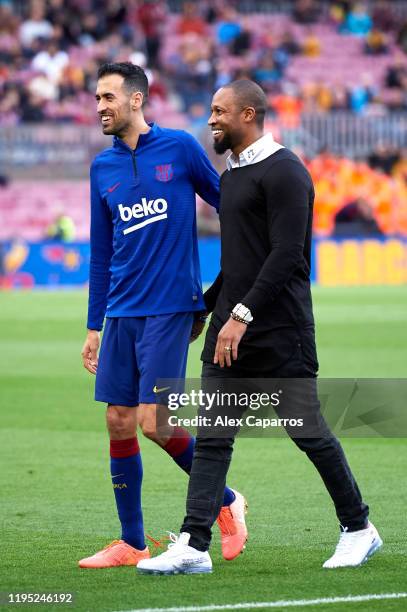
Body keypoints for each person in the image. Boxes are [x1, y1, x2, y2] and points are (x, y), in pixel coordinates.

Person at [137, 79, 383, 575]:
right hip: (232, 331)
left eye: (219, 111)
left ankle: (359, 528)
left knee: (307, 430)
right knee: (213, 437)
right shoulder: (231, 177)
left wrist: (241, 316)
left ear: (248, 114)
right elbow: (239, 260)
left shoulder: (287, 171)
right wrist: (207, 308)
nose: (211, 119)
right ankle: (194, 545)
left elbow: (287, 254)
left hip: (279, 331)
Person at [79, 62, 247, 569]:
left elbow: (229, 204)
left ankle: (225, 501)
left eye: (108, 97)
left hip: (172, 307)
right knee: (118, 419)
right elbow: (102, 252)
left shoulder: (179, 148)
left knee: (155, 422)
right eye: (97, 99)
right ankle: (133, 542)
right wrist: (94, 326)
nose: (101, 107)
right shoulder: (101, 168)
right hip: (122, 310)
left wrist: (228, 282)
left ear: (136, 100)